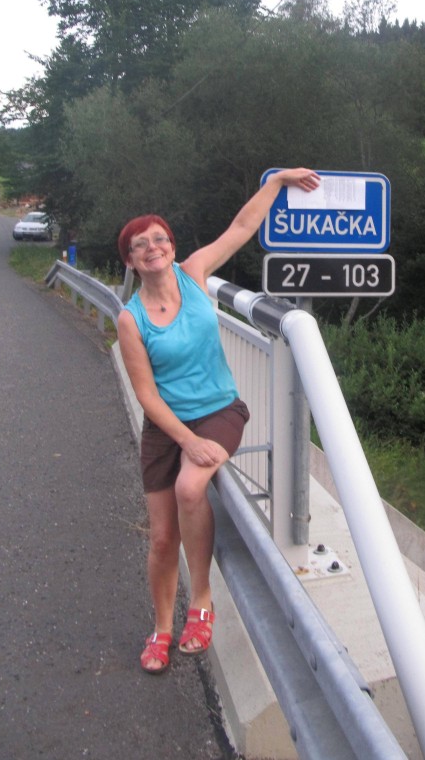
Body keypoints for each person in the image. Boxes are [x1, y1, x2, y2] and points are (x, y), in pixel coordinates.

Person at [116, 167, 320, 673]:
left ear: (172, 247)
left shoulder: (194, 272)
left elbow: (242, 227)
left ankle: (202, 601)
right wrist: (186, 440)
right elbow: (147, 396)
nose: (152, 248)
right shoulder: (130, 318)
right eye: (141, 245)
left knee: (191, 489)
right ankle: (162, 628)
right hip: (168, 426)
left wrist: (277, 183)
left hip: (220, 411)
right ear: (131, 261)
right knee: (161, 538)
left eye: (159, 239)